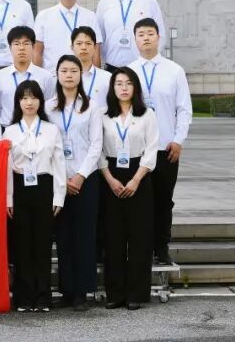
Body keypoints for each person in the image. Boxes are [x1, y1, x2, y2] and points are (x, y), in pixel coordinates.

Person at [126, 18, 192, 266]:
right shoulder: (128, 72)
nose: (145, 38)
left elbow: (184, 109)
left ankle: (161, 248)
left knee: (164, 200)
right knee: (138, 202)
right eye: (141, 34)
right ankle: (139, 247)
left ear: (158, 37)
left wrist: (178, 140)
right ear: (135, 39)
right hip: (136, 150)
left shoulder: (174, 71)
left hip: (166, 148)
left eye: (150, 33)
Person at [47, 54, 103, 312]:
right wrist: (63, 178)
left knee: (84, 235)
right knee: (63, 236)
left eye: (73, 71)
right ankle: (67, 290)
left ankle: (82, 291)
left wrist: (80, 175)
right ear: (57, 75)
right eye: (64, 71)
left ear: (81, 75)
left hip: (86, 179)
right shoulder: (49, 107)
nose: (69, 75)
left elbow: (96, 145)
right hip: (57, 180)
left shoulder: (91, 107)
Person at [99, 67, 159, 310]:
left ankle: (136, 293)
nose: (123, 88)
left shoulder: (147, 115)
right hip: (111, 175)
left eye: (128, 83)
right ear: (112, 88)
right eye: (119, 83)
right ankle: (115, 293)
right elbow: (98, 150)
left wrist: (135, 180)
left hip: (139, 175)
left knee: (139, 237)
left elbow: (152, 150)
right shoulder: (104, 116)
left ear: (136, 87)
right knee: (113, 236)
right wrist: (110, 179)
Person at [3, 80, 65, 313]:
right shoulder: (10, 131)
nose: (29, 102)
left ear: (40, 101)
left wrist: (59, 196)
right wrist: (8, 198)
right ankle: (24, 297)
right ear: (18, 102)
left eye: (33, 97)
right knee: (22, 244)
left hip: (44, 186)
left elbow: (59, 163)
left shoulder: (51, 129)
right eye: (24, 98)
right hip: (20, 187)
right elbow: (6, 168)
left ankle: (42, 297)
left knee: (42, 243)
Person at [96, 0, 167, 72]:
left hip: (143, 68)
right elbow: (99, 37)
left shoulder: (149, 1)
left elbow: (160, 35)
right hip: (112, 68)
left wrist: (150, 60)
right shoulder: (104, 3)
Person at [33, 0, 100, 71]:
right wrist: (37, 77)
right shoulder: (43, 16)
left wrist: (95, 77)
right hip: (52, 75)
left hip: (83, 75)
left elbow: (96, 52)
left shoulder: (90, 16)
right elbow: (37, 52)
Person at [0, 27, 55, 123]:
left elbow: (48, 106)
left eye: (26, 43)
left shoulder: (45, 76)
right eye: (16, 44)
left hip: (37, 128)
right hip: (7, 127)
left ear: (33, 46)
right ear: (10, 47)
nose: (21, 48)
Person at [71, 26, 110, 108]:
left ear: (95, 47)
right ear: (72, 47)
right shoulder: (63, 77)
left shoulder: (107, 78)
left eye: (88, 43)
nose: (83, 47)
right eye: (79, 43)